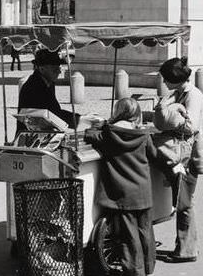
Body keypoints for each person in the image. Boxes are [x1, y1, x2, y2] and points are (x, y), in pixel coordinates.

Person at [85, 98, 158, 276]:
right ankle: (148, 267)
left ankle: (134, 271)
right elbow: (154, 155)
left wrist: (101, 124)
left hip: (122, 193)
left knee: (128, 235)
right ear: (136, 113)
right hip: (142, 191)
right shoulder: (144, 135)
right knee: (145, 230)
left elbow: (89, 134)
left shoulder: (110, 134)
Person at [154, 57, 203, 263]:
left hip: (187, 156)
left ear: (174, 78)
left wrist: (170, 113)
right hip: (179, 153)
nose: (164, 83)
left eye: (166, 79)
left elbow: (190, 126)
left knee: (184, 202)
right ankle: (186, 246)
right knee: (182, 199)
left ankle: (187, 250)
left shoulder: (193, 95)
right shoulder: (178, 93)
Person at [17, 49, 80, 131]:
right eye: (54, 68)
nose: (59, 71)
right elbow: (52, 113)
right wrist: (79, 120)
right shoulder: (34, 86)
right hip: (30, 137)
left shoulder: (48, 82)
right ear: (42, 69)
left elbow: (54, 110)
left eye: (59, 67)